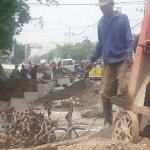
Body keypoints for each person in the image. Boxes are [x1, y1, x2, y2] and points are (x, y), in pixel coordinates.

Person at [85, 0, 133, 128]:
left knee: (124, 89)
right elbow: (100, 44)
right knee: (105, 93)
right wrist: (91, 60)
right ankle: (108, 122)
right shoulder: (101, 23)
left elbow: (129, 39)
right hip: (108, 63)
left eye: (105, 7)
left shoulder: (123, 18)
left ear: (111, 5)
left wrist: (129, 54)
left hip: (122, 60)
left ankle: (129, 119)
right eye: (101, 8)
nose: (103, 10)